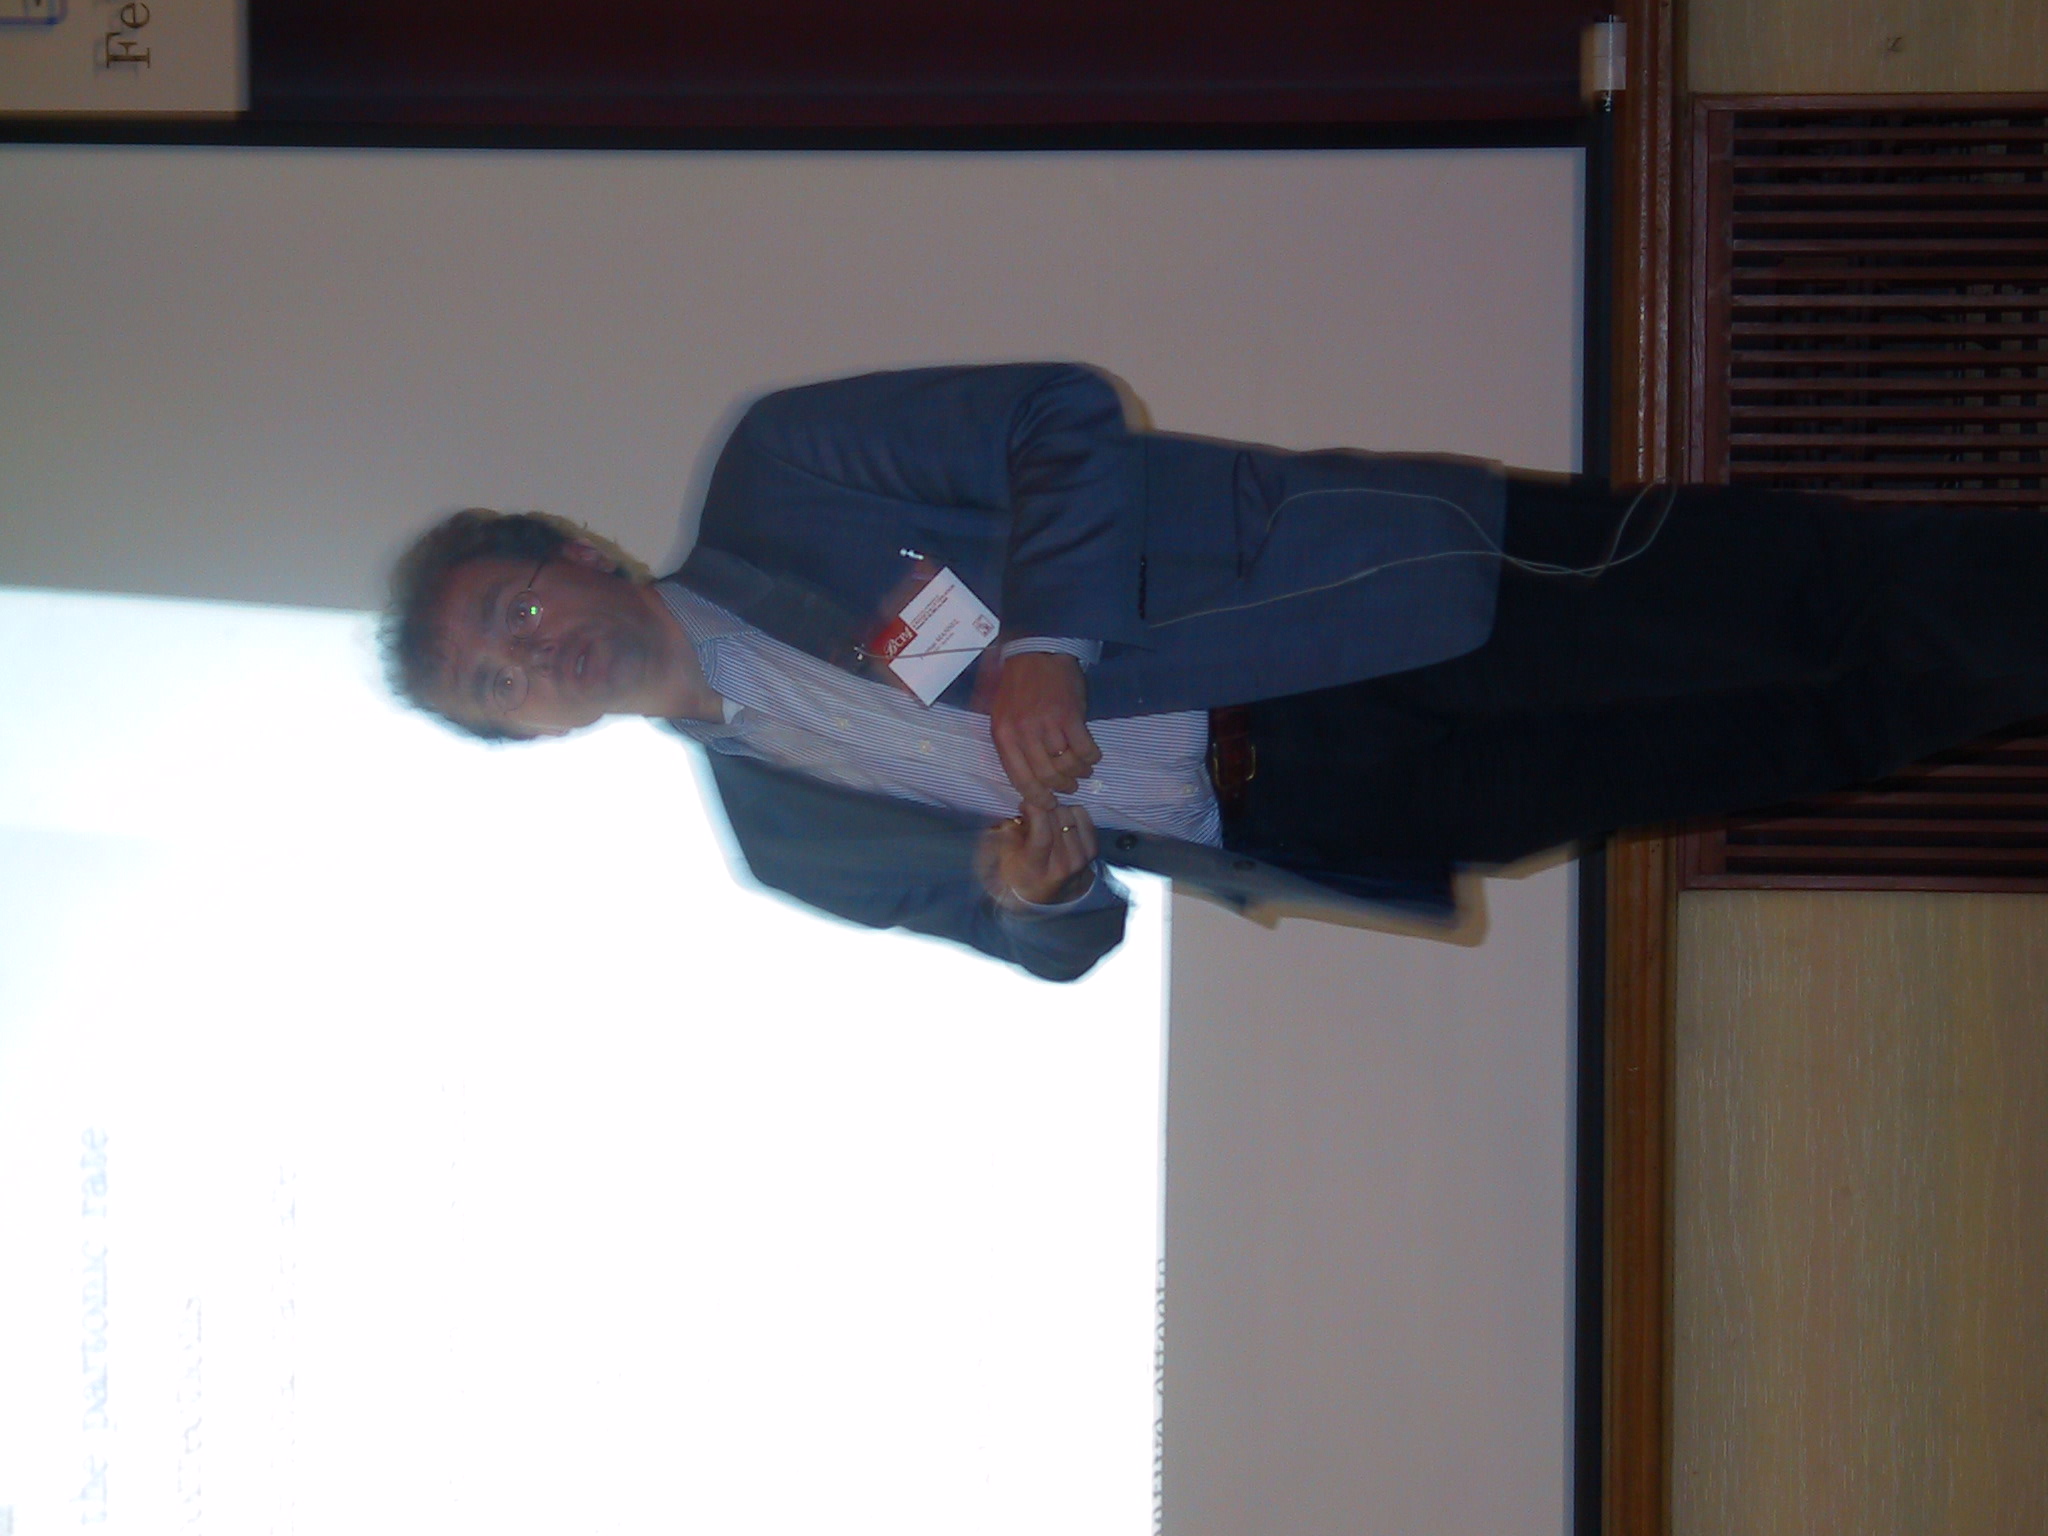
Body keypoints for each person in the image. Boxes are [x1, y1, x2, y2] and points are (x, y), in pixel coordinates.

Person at [385, 363, 2048, 980]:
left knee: (1807, 599)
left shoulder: (781, 472)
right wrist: (1038, 893)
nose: (530, 657)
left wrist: (1043, 645)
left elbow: (1057, 415)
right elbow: (1053, 946)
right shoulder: (786, 843)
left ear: (578, 551)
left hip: (1350, 611)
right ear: (531, 738)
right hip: (1333, 805)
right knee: (1807, 735)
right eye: (494, 686)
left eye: (511, 610)